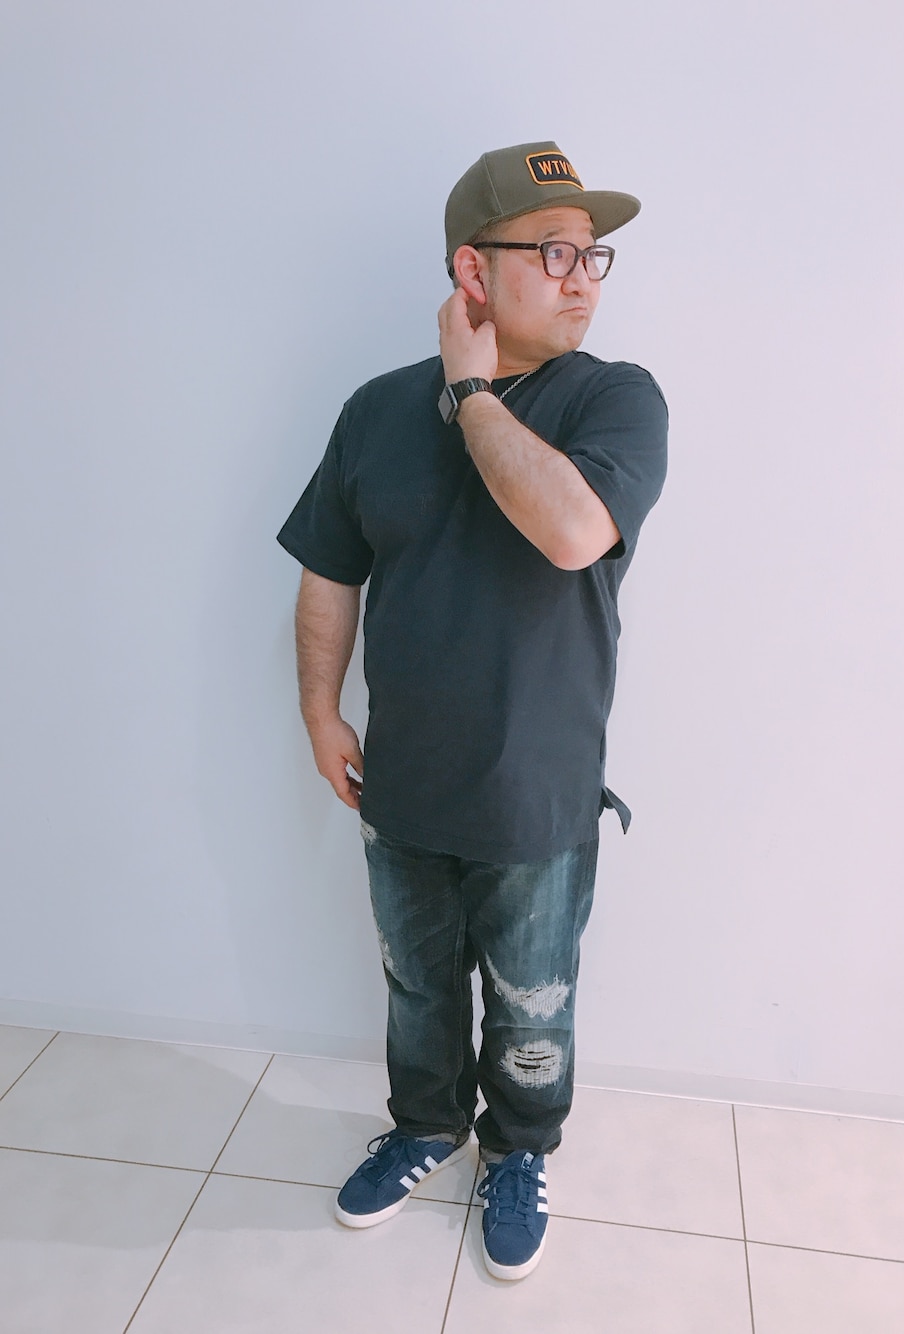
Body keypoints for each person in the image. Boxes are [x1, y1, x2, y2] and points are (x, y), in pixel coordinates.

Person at [277, 140, 668, 1280]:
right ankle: (425, 1125)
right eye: (555, 252)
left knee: (532, 1006)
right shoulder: (373, 410)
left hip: (536, 793)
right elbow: (328, 569)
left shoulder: (615, 397)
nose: (584, 277)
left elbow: (572, 531)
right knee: (416, 987)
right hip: (401, 779)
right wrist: (318, 711)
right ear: (472, 269)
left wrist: (471, 393)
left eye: (593, 255)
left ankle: (517, 1148)